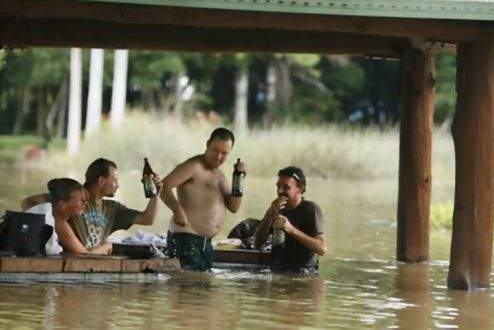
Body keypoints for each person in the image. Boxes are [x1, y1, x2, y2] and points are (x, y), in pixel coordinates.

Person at [21, 158, 163, 251]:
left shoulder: (113, 209)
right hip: (73, 260)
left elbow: (148, 219)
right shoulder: (72, 199)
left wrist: (156, 194)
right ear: (101, 181)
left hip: (92, 261)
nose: (118, 186)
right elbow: (28, 202)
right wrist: (41, 231)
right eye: (115, 181)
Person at [161, 127, 246, 271]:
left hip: (206, 243)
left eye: (224, 153)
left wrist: (240, 180)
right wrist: (177, 210)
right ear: (207, 144)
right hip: (186, 239)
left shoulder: (221, 176)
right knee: (186, 288)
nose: (218, 156)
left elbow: (233, 207)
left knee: (202, 290)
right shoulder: (194, 166)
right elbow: (163, 186)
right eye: (215, 150)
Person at [254, 166, 327, 273]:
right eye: (278, 186)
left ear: (300, 188)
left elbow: (322, 249)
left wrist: (290, 229)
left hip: (304, 274)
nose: (279, 191)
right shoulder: (276, 208)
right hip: (276, 271)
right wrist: (269, 215)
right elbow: (257, 244)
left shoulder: (311, 210)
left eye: (286, 187)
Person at [47, 178, 112, 254]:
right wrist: (107, 246)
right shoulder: (58, 221)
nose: (85, 204)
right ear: (63, 204)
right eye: (82, 200)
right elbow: (84, 255)